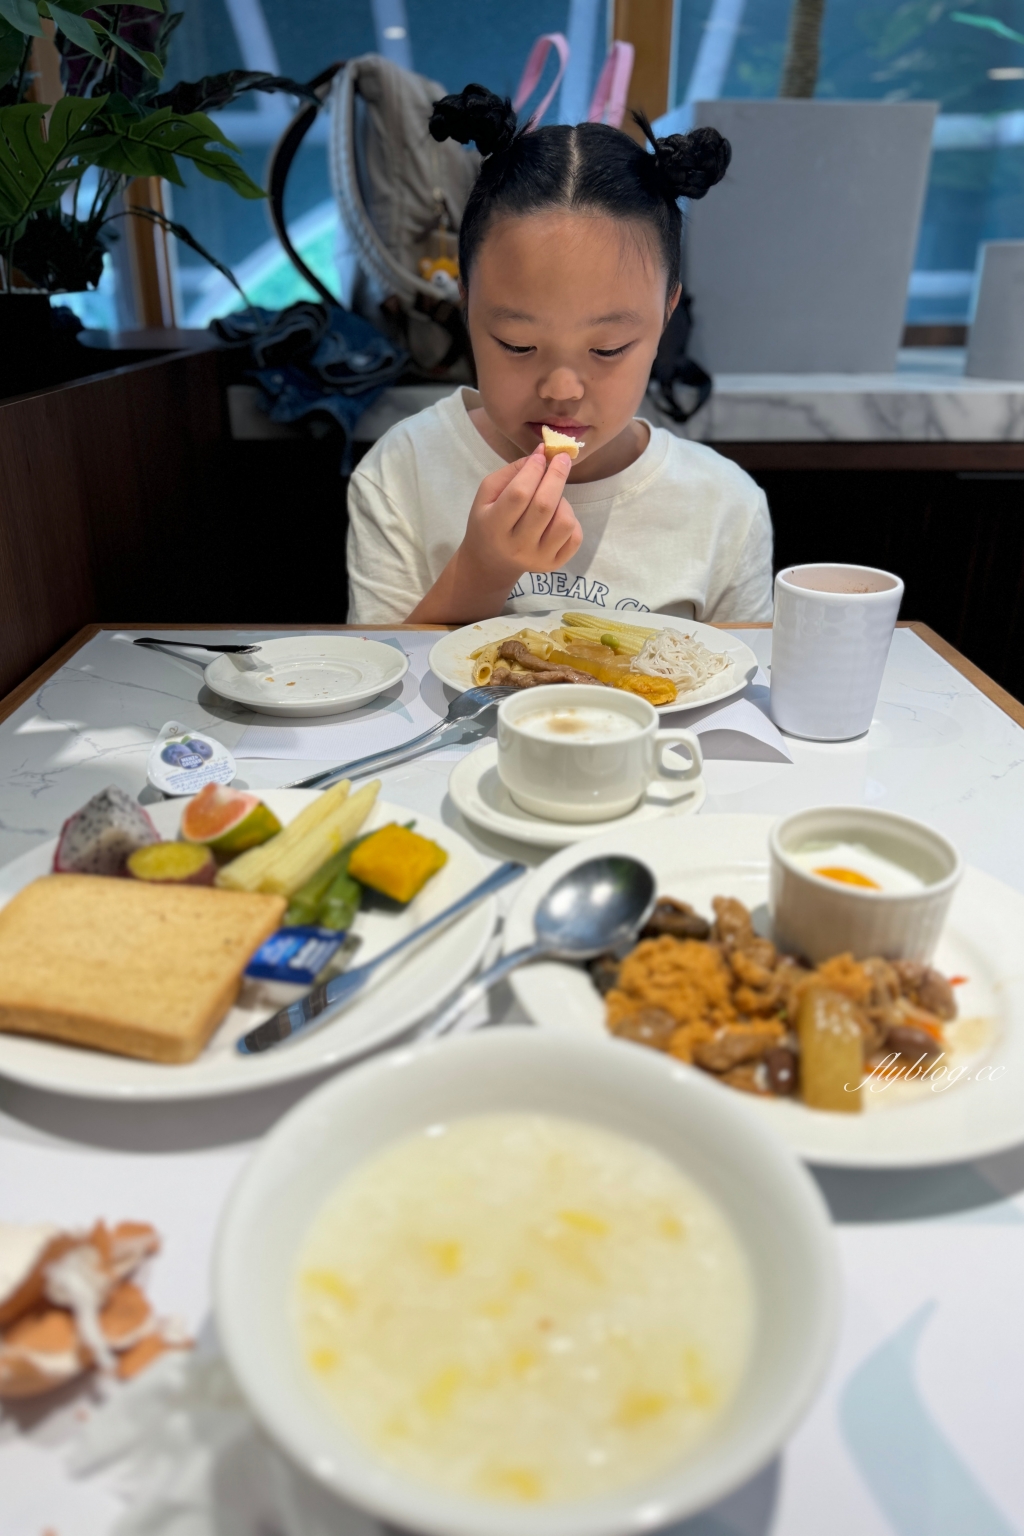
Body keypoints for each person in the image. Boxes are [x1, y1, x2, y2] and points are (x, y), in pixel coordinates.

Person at [346, 85, 772, 626]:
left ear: (667, 312)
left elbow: (737, 695)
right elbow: (379, 689)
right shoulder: (404, 472)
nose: (562, 388)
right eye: (518, 345)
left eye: (608, 348)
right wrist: (482, 570)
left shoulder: (723, 506)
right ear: (466, 303)